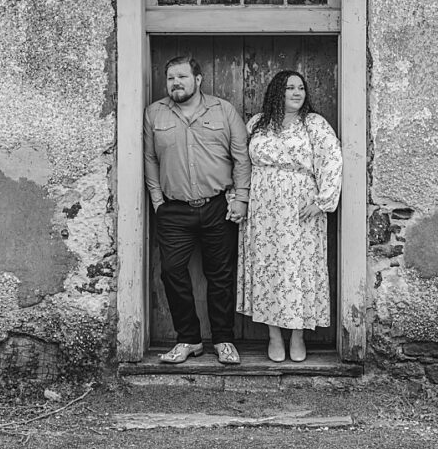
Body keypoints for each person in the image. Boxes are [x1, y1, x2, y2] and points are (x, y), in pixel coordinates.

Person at [143, 55, 250, 365]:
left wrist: (241, 198)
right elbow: (150, 159)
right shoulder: (155, 114)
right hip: (173, 210)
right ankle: (189, 339)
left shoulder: (223, 110)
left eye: (183, 77)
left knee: (220, 275)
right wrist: (157, 201)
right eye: (171, 78)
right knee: (172, 273)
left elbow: (241, 157)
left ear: (198, 80)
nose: (176, 83)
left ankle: (223, 339)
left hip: (218, 206)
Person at [237, 70, 342, 362]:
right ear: (276, 92)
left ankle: (297, 334)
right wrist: (239, 199)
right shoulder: (257, 124)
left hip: (301, 209)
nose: (296, 93)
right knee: (270, 269)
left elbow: (332, 160)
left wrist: (323, 201)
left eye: (300, 88)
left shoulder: (314, 124)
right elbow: (241, 163)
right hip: (264, 211)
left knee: (300, 270)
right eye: (289, 88)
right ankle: (273, 336)